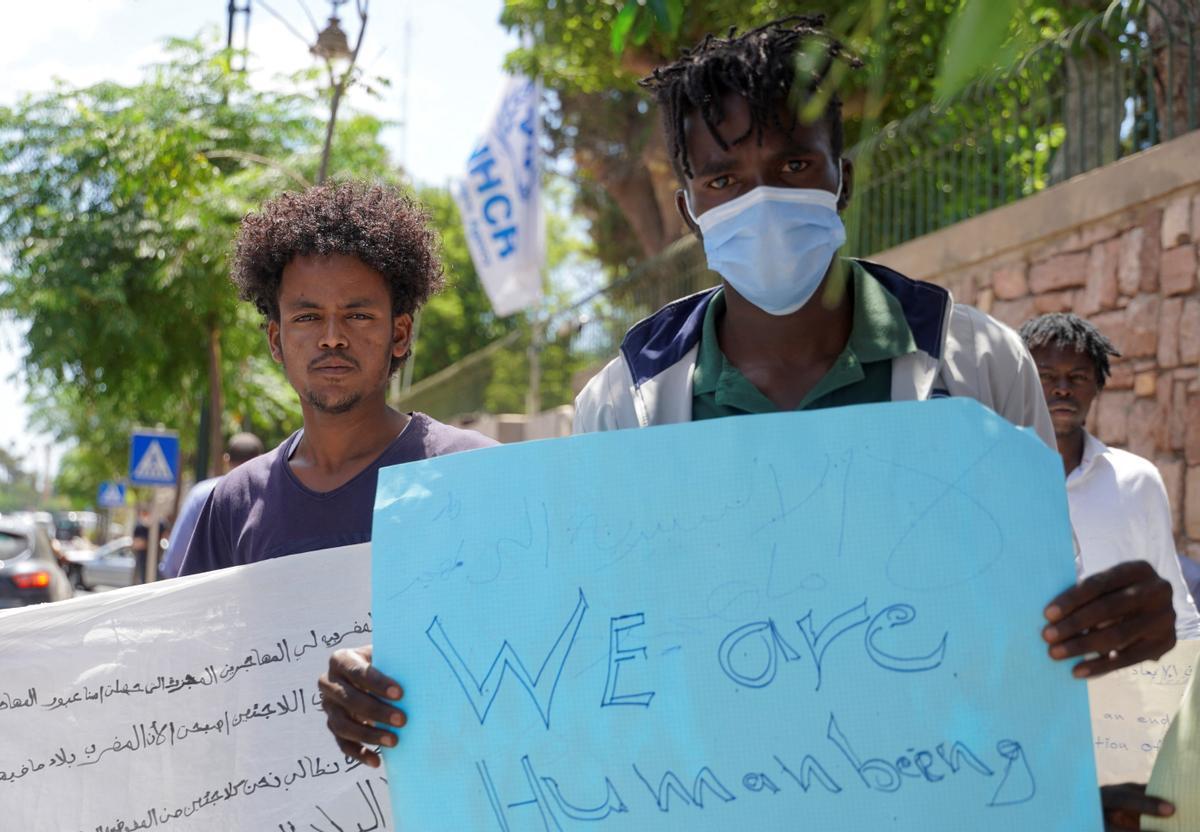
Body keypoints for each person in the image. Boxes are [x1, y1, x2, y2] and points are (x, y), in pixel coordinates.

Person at [317, 20, 1177, 815]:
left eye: (795, 166)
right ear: (690, 205)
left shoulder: (977, 365)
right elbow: (576, 641)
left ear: (845, 175)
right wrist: (403, 692)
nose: (761, 201)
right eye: (724, 180)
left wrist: (1124, 638)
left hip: (934, 800)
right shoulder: (624, 404)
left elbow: (1038, 615)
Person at [179, 182, 494, 576]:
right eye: (307, 317)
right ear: (276, 340)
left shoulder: (474, 472)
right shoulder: (235, 503)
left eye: (358, 316)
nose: (332, 337)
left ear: (399, 335)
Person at [1020, 312, 1200, 641]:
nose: (1062, 389)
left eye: (1077, 377)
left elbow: (1173, 601)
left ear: (1097, 386)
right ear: (1023, 383)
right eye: (1046, 376)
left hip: (1119, 680)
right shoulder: (990, 479)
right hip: (1019, 680)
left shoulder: (1137, 479)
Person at [159, 432, 264, 579]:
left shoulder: (202, 494)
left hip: (207, 595)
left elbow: (175, 561)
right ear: (261, 459)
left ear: (226, 459)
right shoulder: (270, 497)